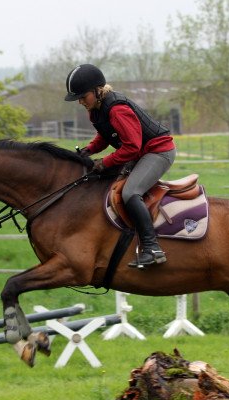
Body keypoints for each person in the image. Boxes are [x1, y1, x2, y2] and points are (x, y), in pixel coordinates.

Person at [64, 64, 176, 268]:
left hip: (158, 151)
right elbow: (105, 135)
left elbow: (131, 148)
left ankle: (152, 248)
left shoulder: (117, 109)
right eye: (78, 98)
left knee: (130, 192)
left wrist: (104, 162)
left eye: (83, 96)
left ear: (97, 90)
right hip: (141, 152)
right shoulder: (96, 109)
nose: (80, 101)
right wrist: (89, 150)